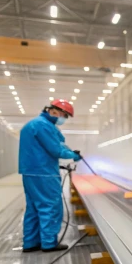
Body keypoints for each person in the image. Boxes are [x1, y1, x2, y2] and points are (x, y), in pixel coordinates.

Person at [18, 99, 81, 252]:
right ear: (54, 111)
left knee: (34, 208)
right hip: (44, 173)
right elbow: (55, 149)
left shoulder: (34, 124)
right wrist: (73, 155)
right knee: (50, 206)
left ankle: (31, 242)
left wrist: (67, 151)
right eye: (64, 116)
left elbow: (53, 146)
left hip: (30, 172)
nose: (64, 119)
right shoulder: (43, 125)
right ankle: (49, 242)